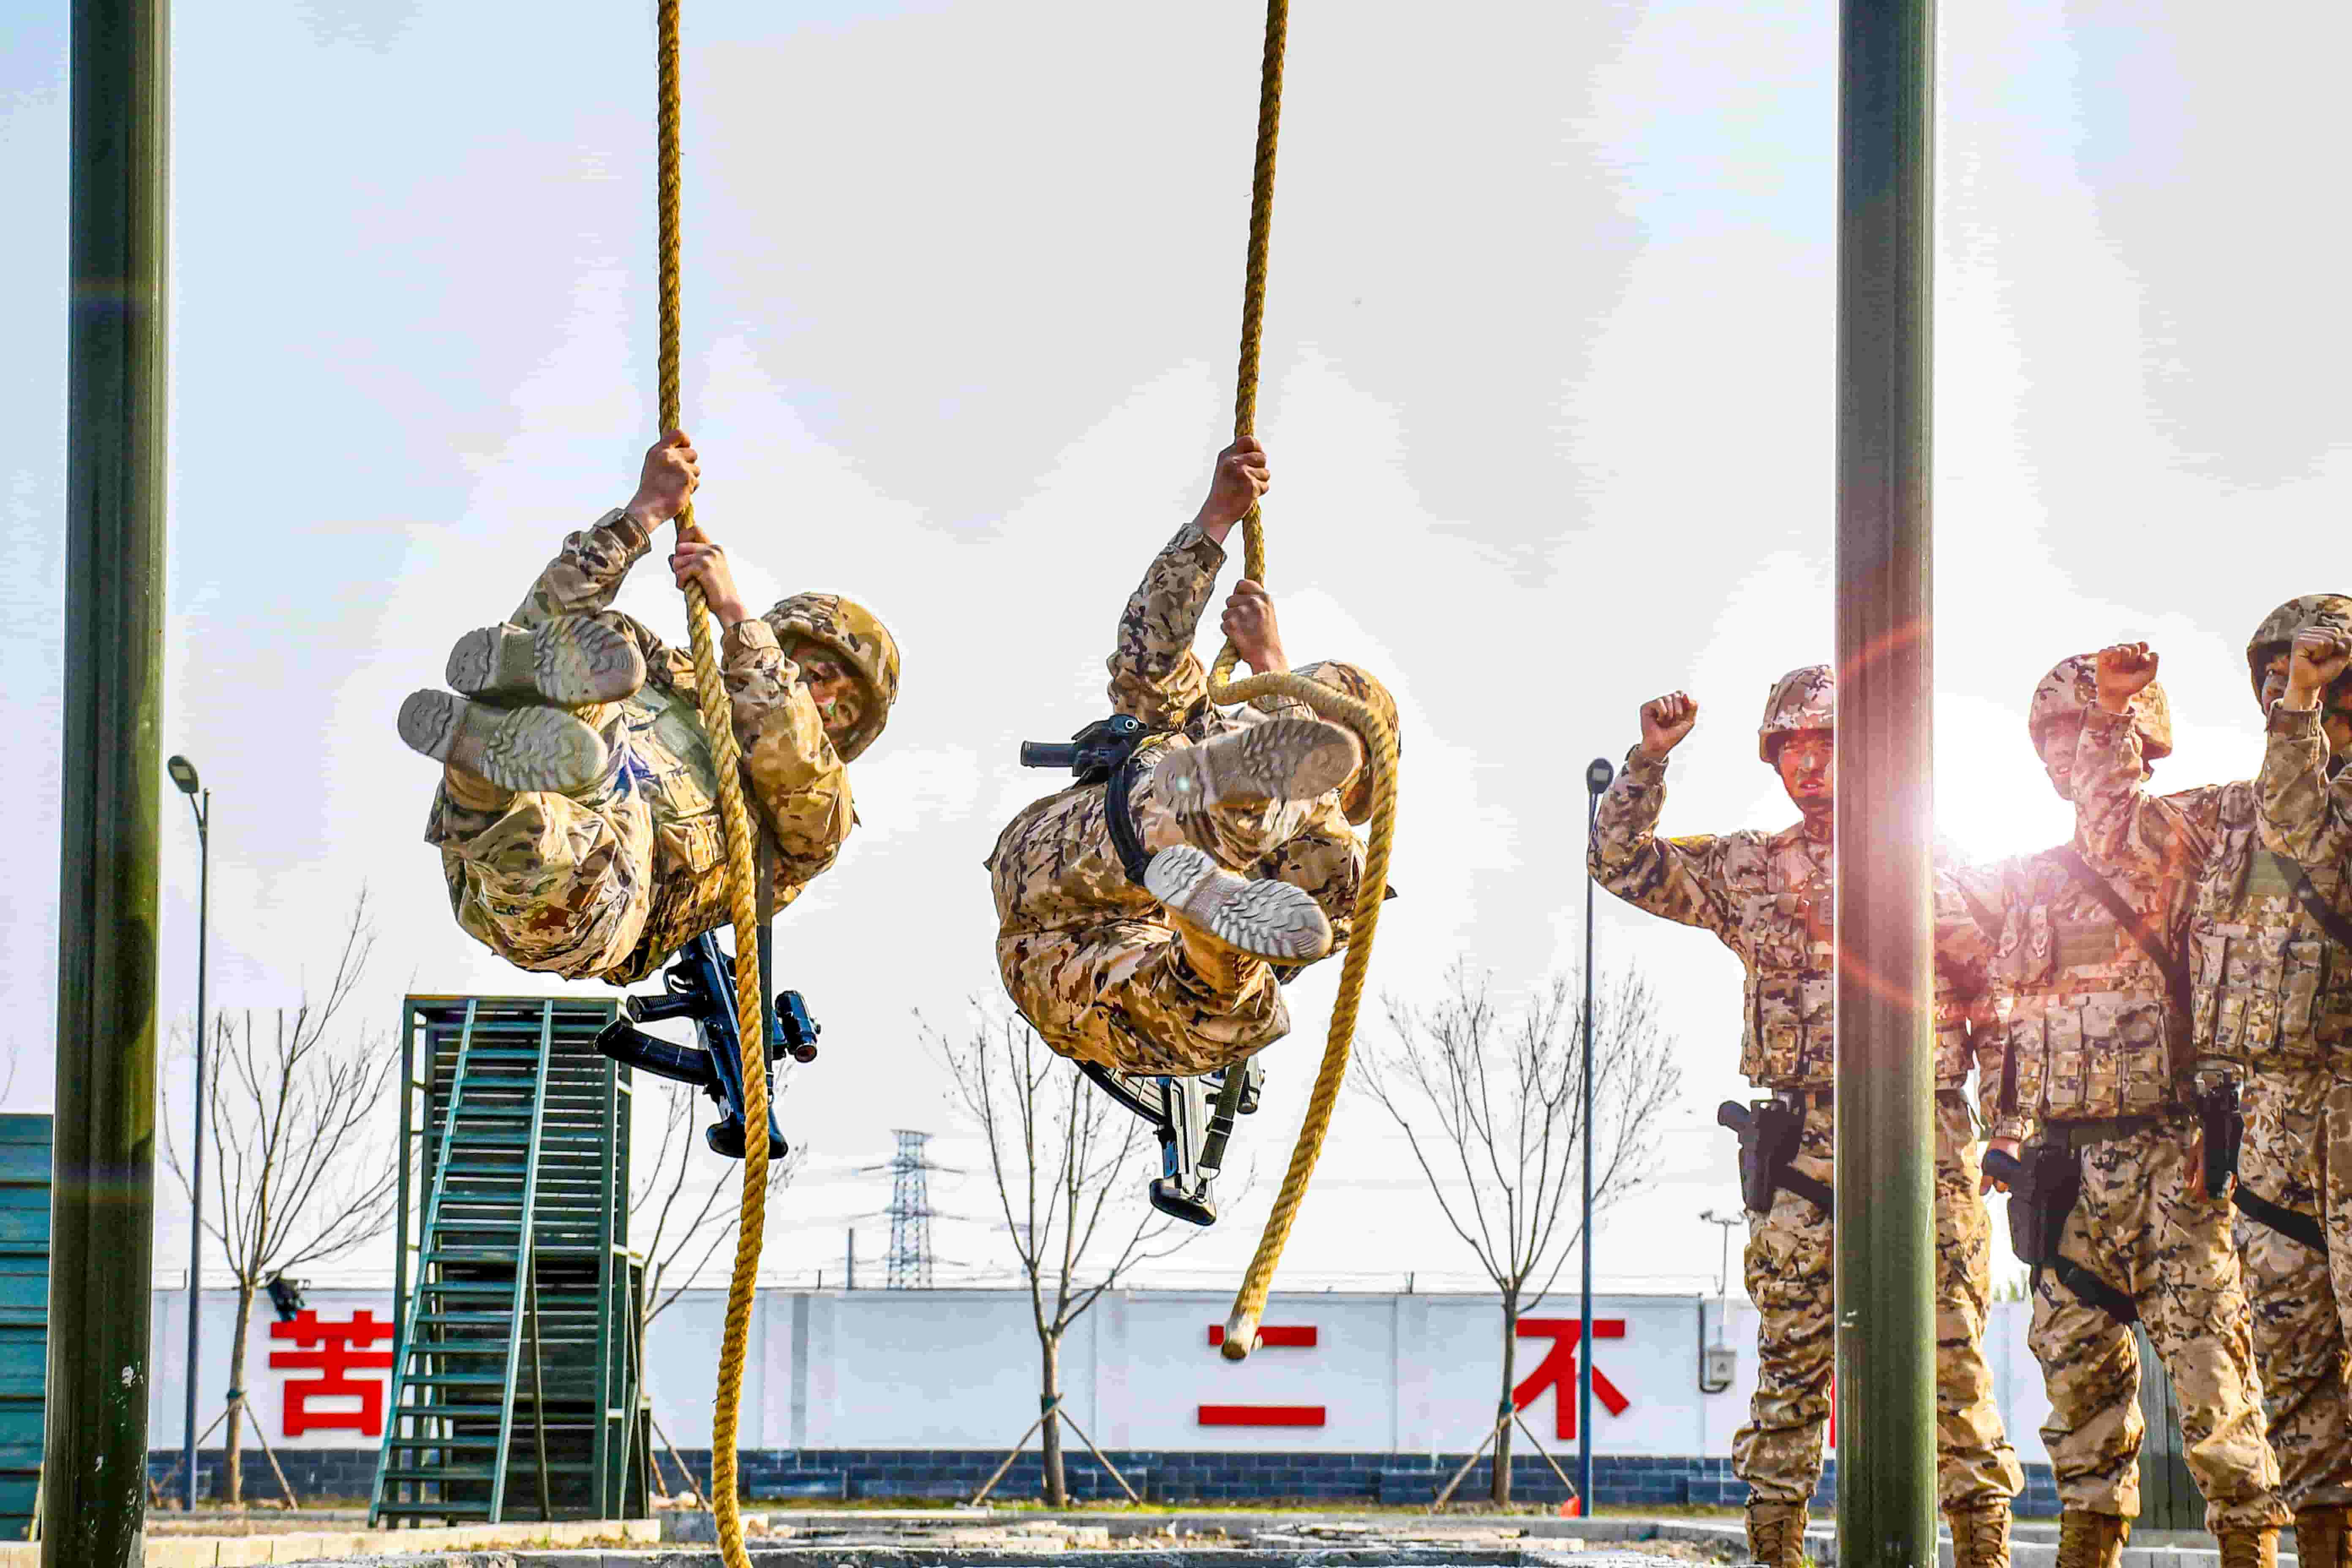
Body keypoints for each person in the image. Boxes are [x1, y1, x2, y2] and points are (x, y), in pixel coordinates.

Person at [1589, 665, 2021, 1568]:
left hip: (1924, 1137)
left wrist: (2010, 1127)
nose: (1808, 765)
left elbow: (2002, 1003)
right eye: (1791, 748)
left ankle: (1982, 1551)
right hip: (1804, 1145)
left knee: (1950, 1359)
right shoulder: (1752, 865)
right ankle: (1776, 1547)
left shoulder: (1936, 863)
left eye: (1825, 745)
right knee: (1790, 1358)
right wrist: (1649, 762)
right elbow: (1620, 863)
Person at [1953, 654, 2284, 1568]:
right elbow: (2011, 1010)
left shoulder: (2194, 829)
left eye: (2091, 726)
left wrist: (2227, 1113)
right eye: (2058, 732)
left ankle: (2251, 1550)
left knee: (2216, 1390)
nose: (2074, 749)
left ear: (2141, 736)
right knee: (2080, 1399)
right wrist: (2009, 1129)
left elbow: (2235, 959)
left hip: (2166, 1152)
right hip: (2063, 1171)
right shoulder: (2025, 875)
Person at [399, 430, 898, 984]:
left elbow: (797, 760)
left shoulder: (820, 814)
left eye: (846, 711)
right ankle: (498, 748)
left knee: (554, 847)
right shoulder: (664, 672)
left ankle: (483, 777)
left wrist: (735, 613)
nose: (823, 700)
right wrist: (644, 514)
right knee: (592, 643)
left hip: (604, 891)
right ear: (782, 649)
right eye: (819, 674)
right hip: (573, 773)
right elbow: (542, 621)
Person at [2073, 598, 2352, 1568]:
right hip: (2265, 1114)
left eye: (2315, 669)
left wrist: (2301, 725)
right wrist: (2112, 716)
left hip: (2345, 1094)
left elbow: (2309, 827)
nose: (2295, 685)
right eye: (2277, 671)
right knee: (2292, 1358)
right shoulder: (2229, 814)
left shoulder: (2324, 803)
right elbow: (2112, 833)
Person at [986, 438, 1394, 1076]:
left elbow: (1326, 894)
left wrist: (1276, 673)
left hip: (1085, 980)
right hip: (1074, 855)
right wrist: (1217, 519)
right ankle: (1205, 827)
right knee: (1187, 780)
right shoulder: (1203, 726)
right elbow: (1148, 656)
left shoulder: (1337, 877)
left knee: (1249, 1012)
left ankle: (1212, 934)